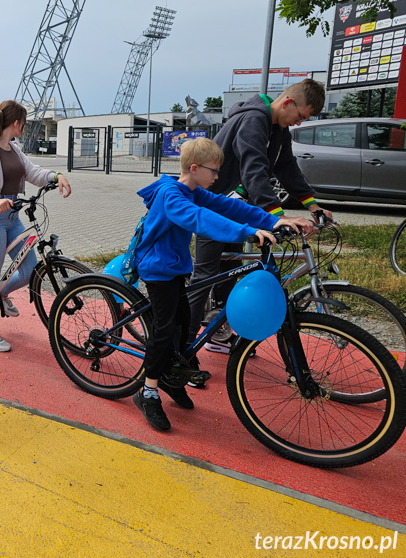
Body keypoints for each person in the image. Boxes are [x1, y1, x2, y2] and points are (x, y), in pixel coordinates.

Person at [130, 137, 311, 431]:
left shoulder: (193, 190)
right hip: (157, 269)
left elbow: (229, 207)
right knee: (164, 330)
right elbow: (199, 219)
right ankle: (147, 391)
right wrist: (247, 233)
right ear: (194, 168)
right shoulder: (171, 195)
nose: (217, 176)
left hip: (175, 267)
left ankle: (170, 378)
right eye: (213, 171)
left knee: (183, 323)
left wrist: (271, 221)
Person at [186, 79, 334, 359]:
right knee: (205, 276)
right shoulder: (254, 119)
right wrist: (277, 215)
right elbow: (253, 167)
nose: (299, 123)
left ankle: (221, 337)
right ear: (288, 103)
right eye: (301, 116)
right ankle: (182, 352)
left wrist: (312, 205)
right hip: (211, 207)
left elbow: (286, 167)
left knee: (230, 269)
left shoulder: (278, 129)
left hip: (234, 209)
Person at [0, 99, 71, 352]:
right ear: (16, 122)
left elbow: (32, 172)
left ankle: (1, 293)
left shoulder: (14, 147)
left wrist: (55, 176)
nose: (24, 127)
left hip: (12, 215)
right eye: (23, 122)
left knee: (29, 270)